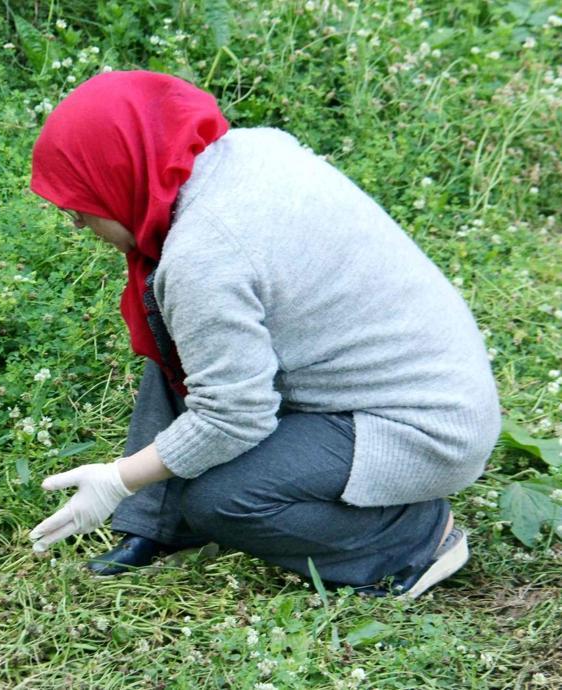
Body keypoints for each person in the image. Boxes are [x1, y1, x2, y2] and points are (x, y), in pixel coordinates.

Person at [27, 70, 501, 597]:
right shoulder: (245, 150)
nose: (78, 227)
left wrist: (120, 478)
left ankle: (412, 540)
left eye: (79, 210)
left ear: (118, 173)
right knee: (182, 333)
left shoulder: (204, 256)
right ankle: (158, 525)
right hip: (426, 377)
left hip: (422, 426)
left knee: (225, 498)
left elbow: (234, 416)